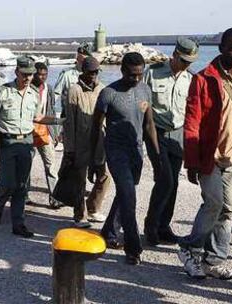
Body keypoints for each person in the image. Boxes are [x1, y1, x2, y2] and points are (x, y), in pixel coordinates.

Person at [178, 28, 232, 280]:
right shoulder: (203, 79)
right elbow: (192, 122)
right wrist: (191, 162)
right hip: (210, 156)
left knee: (229, 210)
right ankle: (189, 248)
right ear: (221, 48)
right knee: (214, 203)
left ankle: (213, 260)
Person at [91, 52, 161, 265]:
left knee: (125, 193)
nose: (136, 79)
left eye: (140, 74)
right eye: (132, 75)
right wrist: (96, 161)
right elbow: (95, 129)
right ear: (122, 71)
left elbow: (149, 125)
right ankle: (133, 247)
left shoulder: (145, 90)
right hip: (115, 151)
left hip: (136, 152)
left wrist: (156, 156)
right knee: (129, 196)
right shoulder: (108, 93)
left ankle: (108, 230)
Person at [0, 57, 62, 238]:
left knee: (21, 185)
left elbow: (38, 117)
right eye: (24, 74)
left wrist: (59, 120)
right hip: (8, 143)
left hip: (26, 143)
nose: (27, 78)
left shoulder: (33, 94)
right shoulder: (3, 92)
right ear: (17, 72)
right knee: (7, 182)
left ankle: (18, 223)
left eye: (30, 75)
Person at [143, 38, 199, 246]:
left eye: (190, 61)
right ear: (174, 55)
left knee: (173, 182)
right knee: (164, 179)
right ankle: (151, 226)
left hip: (178, 134)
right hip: (155, 132)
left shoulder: (190, 79)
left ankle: (163, 226)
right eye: (183, 60)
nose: (186, 65)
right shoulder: (153, 72)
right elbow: (142, 102)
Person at [62, 56, 110, 227]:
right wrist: (70, 148)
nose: (94, 75)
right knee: (79, 179)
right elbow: (69, 121)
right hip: (80, 141)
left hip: (100, 141)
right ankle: (79, 215)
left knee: (105, 176)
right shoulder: (74, 90)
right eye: (91, 72)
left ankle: (93, 207)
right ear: (83, 71)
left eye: (96, 72)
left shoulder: (103, 89)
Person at [26, 62, 61, 208]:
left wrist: (56, 133)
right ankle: (24, 195)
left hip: (45, 130)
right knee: (26, 165)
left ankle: (55, 197)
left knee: (51, 165)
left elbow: (52, 109)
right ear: (33, 74)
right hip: (28, 131)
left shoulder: (49, 89)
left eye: (45, 74)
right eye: (39, 74)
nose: (42, 77)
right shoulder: (26, 89)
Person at [54, 42, 91, 118]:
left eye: (85, 59)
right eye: (81, 58)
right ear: (77, 58)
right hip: (68, 113)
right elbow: (56, 94)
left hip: (86, 113)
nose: (83, 61)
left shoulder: (91, 76)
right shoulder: (66, 74)